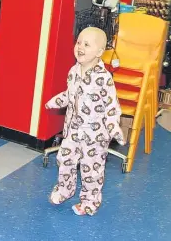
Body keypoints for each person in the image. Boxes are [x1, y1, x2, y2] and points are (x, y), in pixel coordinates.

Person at [45, 27, 126, 215]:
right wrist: (56, 101)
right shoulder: (73, 71)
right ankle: (65, 190)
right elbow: (70, 93)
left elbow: (111, 105)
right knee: (64, 158)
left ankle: (90, 202)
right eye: (79, 42)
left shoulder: (103, 78)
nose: (80, 47)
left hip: (95, 135)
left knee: (91, 170)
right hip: (73, 129)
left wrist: (114, 126)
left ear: (99, 52)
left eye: (87, 44)